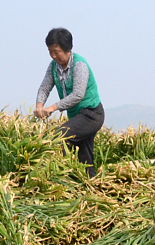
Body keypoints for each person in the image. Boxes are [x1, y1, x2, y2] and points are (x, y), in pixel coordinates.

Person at [34, 28, 104, 178]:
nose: (53, 56)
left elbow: (78, 95)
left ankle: (60, 176)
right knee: (84, 156)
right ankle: (90, 186)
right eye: (50, 51)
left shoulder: (79, 65)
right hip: (77, 116)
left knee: (59, 137)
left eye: (56, 51)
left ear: (67, 49)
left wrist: (52, 108)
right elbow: (45, 87)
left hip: (91, 114)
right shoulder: (54, 66)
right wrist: (39, 105)